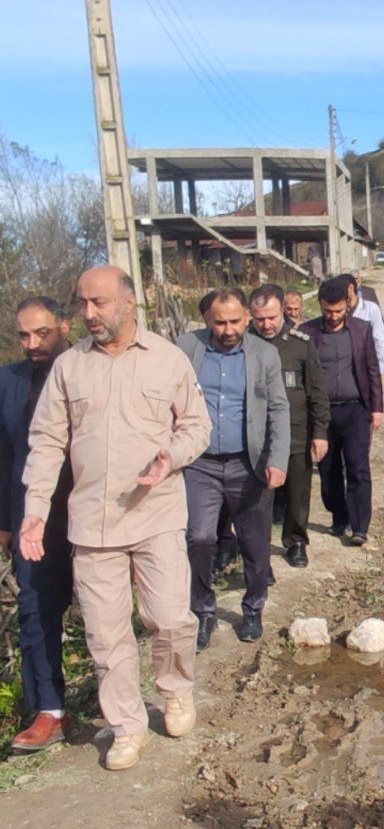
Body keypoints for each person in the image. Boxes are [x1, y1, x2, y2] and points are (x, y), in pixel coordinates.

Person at [20, 267, 210, 772]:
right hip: (92, 524)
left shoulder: (168, 359)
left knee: (170, 618)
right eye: (82, 303)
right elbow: (47, 442)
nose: (88, 313)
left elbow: (197, 426)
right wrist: (35, 510)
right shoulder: (70, 367)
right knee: (106, 635)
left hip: (156, 513)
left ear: (129, 302)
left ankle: (176, 690)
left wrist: (172, 455)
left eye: (99, 302)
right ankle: (126, 725)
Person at [177, 288, 289, 650]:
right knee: (199, 537)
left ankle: (253, 609)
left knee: (255, 543)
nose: (228, 330)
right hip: (200, 464)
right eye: (220, 322)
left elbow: (278, 408)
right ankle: (202, 611)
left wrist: (278, 459)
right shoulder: (186, 348)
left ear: (247, 317)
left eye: (236, 321)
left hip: (248, 463)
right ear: (207, 319)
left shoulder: (265, 354)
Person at [0, 297, 74, 752]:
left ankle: (117, 701)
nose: (32, 343)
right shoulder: (8, 381)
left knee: (102, 607)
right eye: (24, 335)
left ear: (64, 326)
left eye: (42, 333)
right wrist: (4, 522)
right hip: (31, 520)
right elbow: (3, 456)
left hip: (88, 512)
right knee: (34, 609)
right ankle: (50, 711)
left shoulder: (87, 370)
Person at [247, 284, 329, 568]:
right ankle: (257, 551)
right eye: (259, 319)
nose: (266, 324)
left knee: (297, 490)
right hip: (256, 435)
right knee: (258, 498)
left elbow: (317, 391)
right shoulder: (244, 344)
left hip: (296, 429)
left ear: (283, 309)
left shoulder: (300, 343)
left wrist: (320, 432)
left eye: (271, 317)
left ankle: (296, 541)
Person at [302, 278, 383, 545]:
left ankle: (359, 527)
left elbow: (372, 369)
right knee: (328, 470)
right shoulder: (307, 333)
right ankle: (339, 516)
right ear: (320, 305)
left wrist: (377, 408)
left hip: (356, 410)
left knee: (358, 467)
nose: (334, 316)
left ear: (347, 304)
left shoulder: (361, 329)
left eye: (339, 311)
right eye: (328, 311)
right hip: (322, 414)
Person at [340, 272, 384, 374]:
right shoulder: (339, 310)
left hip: (367, 363)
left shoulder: (370, 308)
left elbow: (380, 339)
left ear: (350, 288)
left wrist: (379, 368)